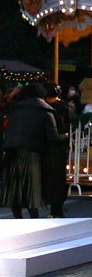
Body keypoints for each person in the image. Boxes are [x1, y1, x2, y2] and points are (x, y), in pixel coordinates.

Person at [0, 84, 60, 219]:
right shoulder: (45, 111)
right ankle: (34, 218)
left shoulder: (14, 109)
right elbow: (53, 136)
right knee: (32, 188)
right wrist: (65, 136)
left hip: (11, 151)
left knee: (14, 188)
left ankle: (17, 218)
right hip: (32, 152)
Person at [41, 84, 72, 217]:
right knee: (58, 179)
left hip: (51, 147)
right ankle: (57, 209)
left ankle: (55, 209)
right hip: (61, 147)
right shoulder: (67, 107)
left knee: (52, 180)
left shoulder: (49, 110)